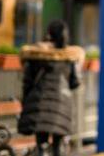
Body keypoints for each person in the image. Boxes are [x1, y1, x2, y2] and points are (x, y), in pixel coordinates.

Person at [18, 20, 84, 156]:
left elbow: (27, 82)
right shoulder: (69, 56)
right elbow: (75, 83)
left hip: (39, 102)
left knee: (41, 143)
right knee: (58, 145)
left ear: (49, 34)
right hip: (62, 105)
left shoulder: (35, 54)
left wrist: (24, 103)